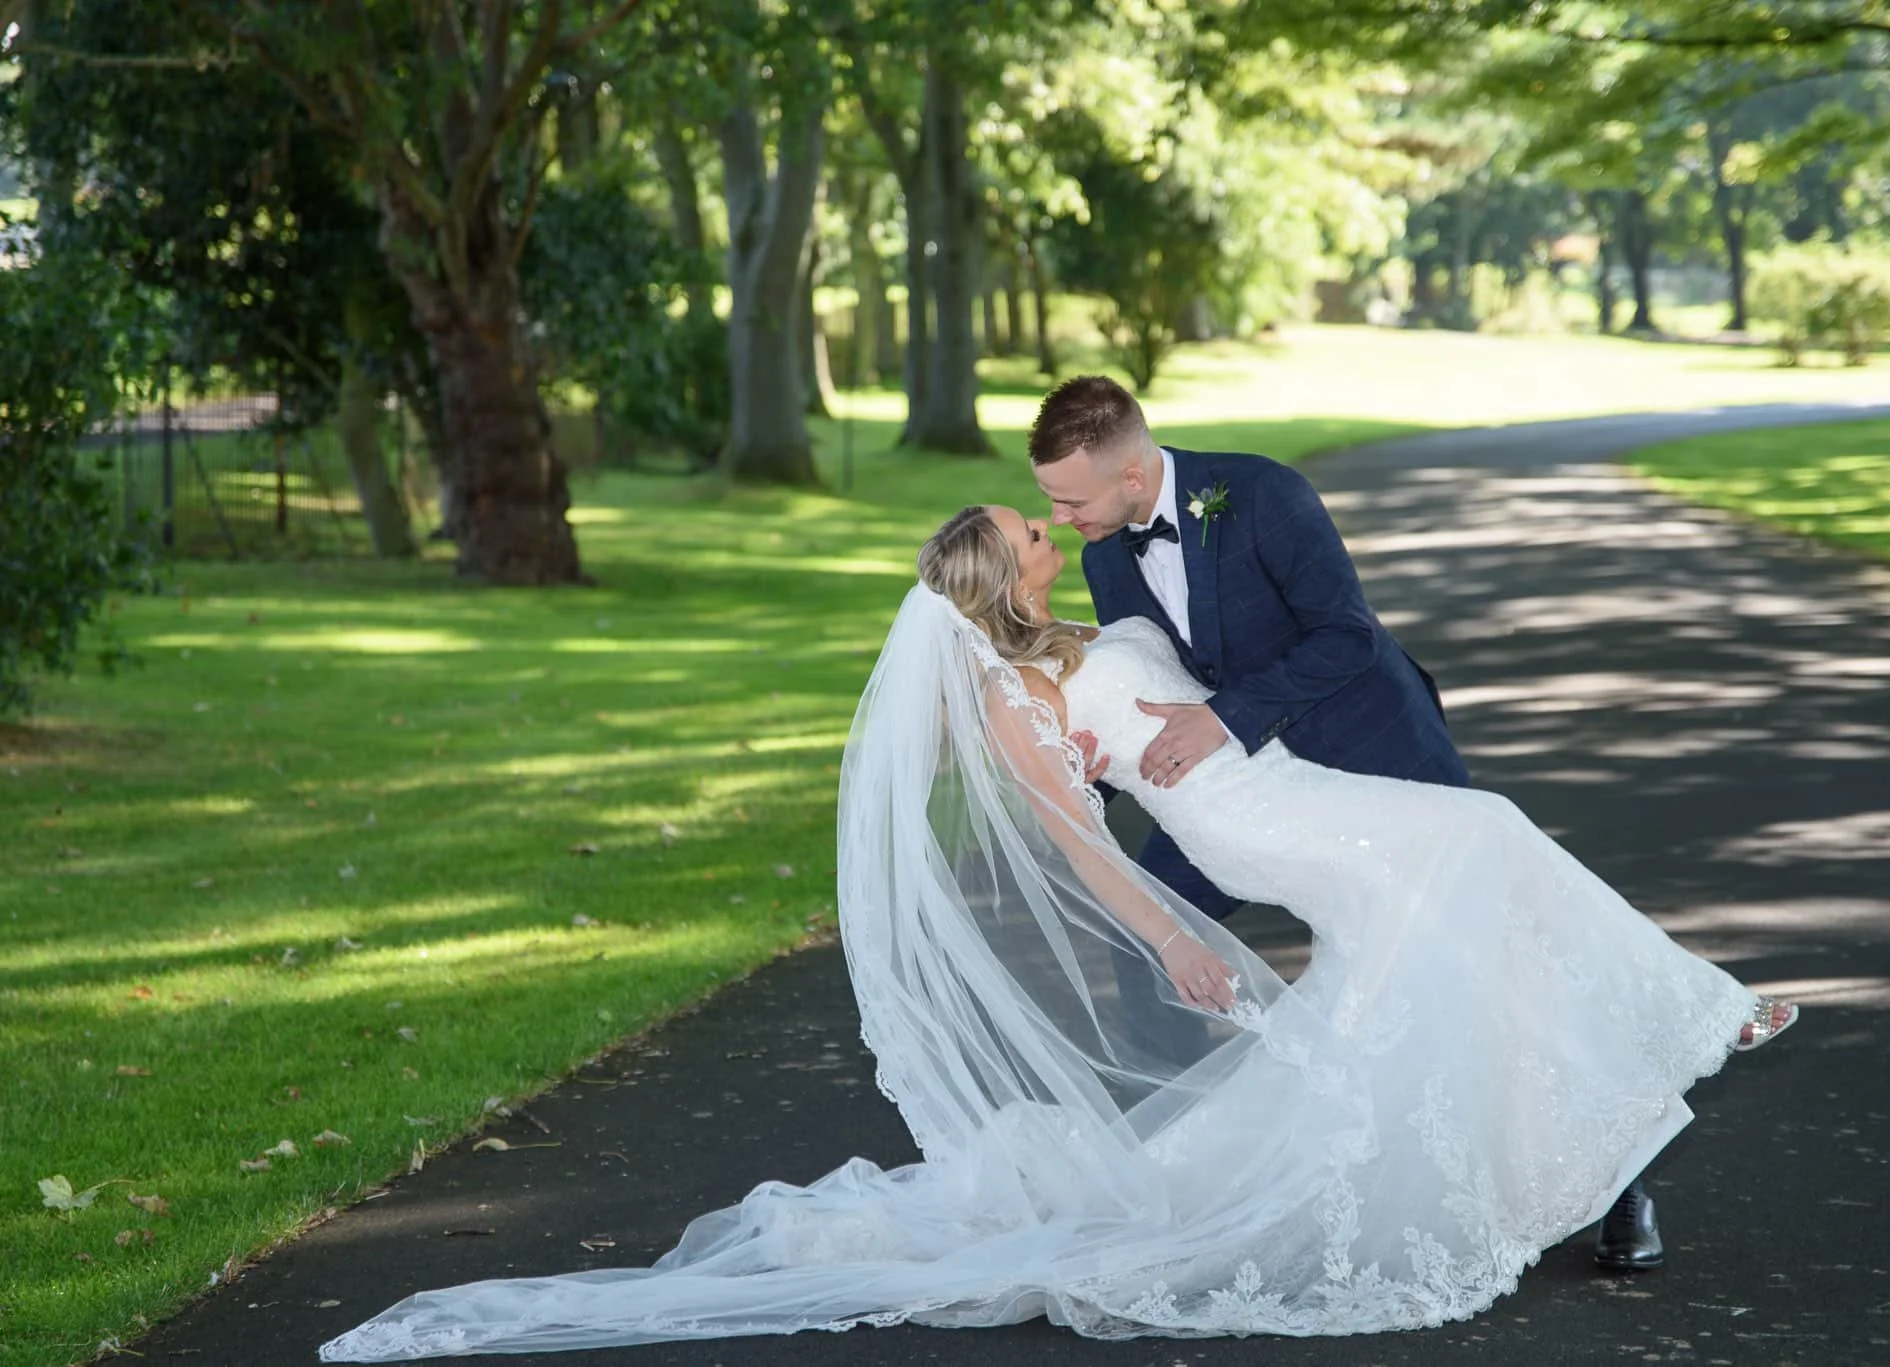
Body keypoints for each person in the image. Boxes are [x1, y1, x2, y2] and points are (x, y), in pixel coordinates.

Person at [321, 503, 1794, 1362]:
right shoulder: (1017, 698)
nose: (1046, 529)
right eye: (1028, 529)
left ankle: (1576, 1112)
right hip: (1250, 822)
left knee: (1445, 934)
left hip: (1291, 780)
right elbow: (1084, 844)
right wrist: (1173, 938)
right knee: (1483, 838)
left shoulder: (1082, 626)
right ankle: (1695, 1011)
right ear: (999, 576)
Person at [1028, 374, 1652, 1271]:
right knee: (1146, 930)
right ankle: (1186, 1170)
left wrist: (1226, 717)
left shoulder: (1263, 494)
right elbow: (1151, 696)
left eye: (1071, 500)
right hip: (1245, 795)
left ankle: (1622, 1175)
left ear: (1131, 475)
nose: (1058, 517)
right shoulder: (1104, 557)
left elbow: (1346, 635)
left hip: (1375, 745)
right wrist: (1089, 777)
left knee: (1487, 948)